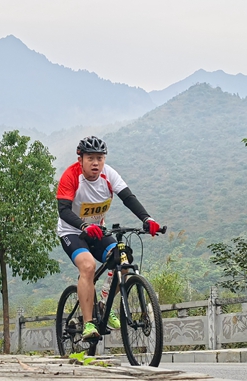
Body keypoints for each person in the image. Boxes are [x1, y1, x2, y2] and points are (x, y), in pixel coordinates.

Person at [56, 135, 160, 340]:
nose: (96, 163)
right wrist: (83, 225)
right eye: (90, 158)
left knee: (122, 259)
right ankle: (88, 325)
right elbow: (63, 210)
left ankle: (104, 304)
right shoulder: (71, 176)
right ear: (81, 160)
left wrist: (147, 219)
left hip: (98, 230)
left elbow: (128, 198)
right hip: (72, 231)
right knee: (87, 266)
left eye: (100, 158)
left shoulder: (109, 175)